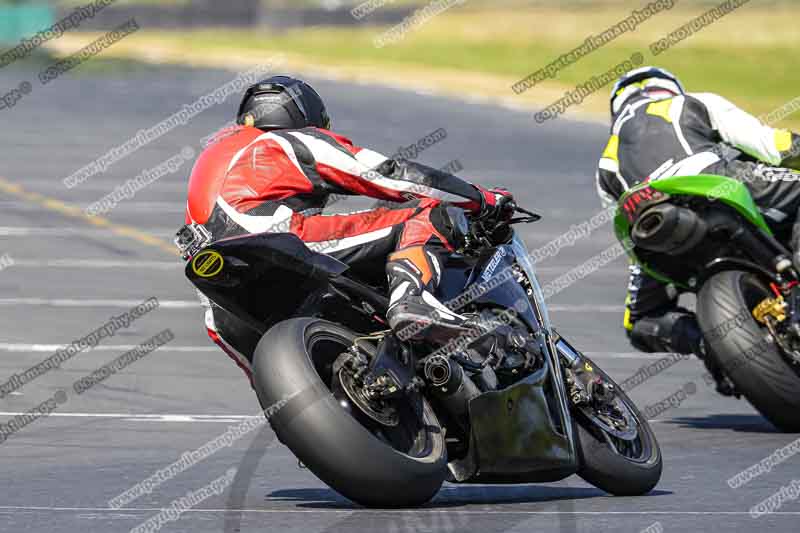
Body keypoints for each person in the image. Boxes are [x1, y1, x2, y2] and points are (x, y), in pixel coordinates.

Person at [182, 75, 513, 379]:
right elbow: (387, 174)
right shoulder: (284, 142)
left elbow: (268, 386)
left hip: (219, 301)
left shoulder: (214, 156)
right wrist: (481, 200)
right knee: (429, 213)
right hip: (276, 238)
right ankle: (413, 301)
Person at [595, 66, 800, 394]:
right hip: (714, 184)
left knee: (640, 321)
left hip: (653, 228)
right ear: (669, 88)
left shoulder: (605, 162)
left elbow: (626, 233)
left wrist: (710, 342)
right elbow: (773, 146)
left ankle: (709, 347)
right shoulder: (693, 102)